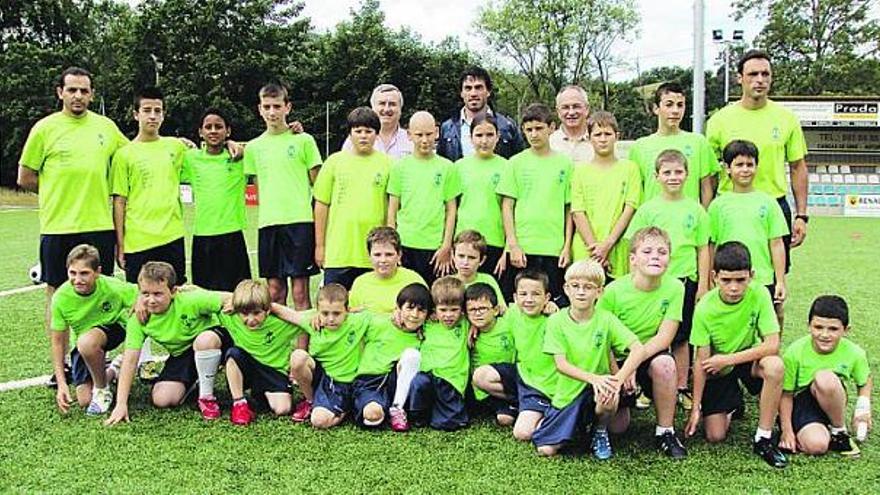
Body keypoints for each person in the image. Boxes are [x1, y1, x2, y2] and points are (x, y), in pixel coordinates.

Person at [18, 67, 128, 383]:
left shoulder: (106, 127)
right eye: (72, 90)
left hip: (98, 225)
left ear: (92, 94)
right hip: (58, 226)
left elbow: (132, 152)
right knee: (57, 291)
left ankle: (96, 358)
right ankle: (62, 367)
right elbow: (25, 177)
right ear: (60, 93)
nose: (78, 96)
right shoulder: (44, 129)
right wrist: (57, 190)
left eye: (84, 90)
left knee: (101, 292)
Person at [684, 241, 788, 468]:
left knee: (775, 366)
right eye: (726, 280)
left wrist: (728, 359)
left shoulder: (760, 293)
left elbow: (772, 344)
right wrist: (696, 408)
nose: (734, 288)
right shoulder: (704, 308)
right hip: (718, 369)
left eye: (740, 280)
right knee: (715, 435)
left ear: (751, 275)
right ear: (714, 277)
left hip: (746, 359)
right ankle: (732, 402)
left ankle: (764, 437)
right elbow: (702, 362)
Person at [706, 49, 809, 277]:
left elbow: (797, 167)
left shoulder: (786, 118)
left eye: (765, 74)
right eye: (753, 74)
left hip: (773, 205)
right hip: (729, 208)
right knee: (728, 278)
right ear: (739, 78)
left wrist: (801, 215)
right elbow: (710, 174)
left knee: (775, 284)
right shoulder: (719, 121)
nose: (760, 80)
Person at [531, 260, 644, 459]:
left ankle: (599, 431)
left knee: (611, 403)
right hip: (569, 392)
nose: (581, 292)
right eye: (575, 286)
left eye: (588, 287)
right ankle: (572, 426)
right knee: (545, 450)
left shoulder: (606, 319)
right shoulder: (556, 322)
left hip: (599, 388)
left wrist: (617, 380)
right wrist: (594, 378)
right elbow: (561, 365)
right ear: (566, 289)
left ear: (599, 292)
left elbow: (638, 348)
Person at [624, 149, 710, 408]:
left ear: (687, 175)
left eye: (678, 172)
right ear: (656, 176)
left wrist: (703, 285)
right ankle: (646, 387)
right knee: (651, 334)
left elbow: (703, 248)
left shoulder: (696, 210)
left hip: (684, 280)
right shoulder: (648, 209)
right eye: (667, 172)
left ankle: (682, 386)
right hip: (652, 283)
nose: (673, 177)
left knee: (681, 337)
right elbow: (634, 247)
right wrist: (634, 279)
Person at [597, 227, 688, 459]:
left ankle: (665, 432)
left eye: (662, 251)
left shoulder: (676, 287)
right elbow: (602, 340)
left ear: (669, 258)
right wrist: (621, 371)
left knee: (666, 364)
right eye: (647, 251)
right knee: (619, 428)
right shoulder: (613, 292)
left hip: (647, 355)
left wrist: (634, 365)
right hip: (614, 359)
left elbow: (665, 338)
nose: (655, 256)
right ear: (633, 259)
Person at [106, 262, 233, 425]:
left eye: (158, 294)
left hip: (216, 342)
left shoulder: (190, 299)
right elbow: (130, 361)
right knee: (162, 399)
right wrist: (121, 404)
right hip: (183, 354)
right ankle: (196, 379)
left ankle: (206, 397)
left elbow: (232, 298)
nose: (151, 300)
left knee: (205, 341)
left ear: (173, 291)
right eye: (145, 293)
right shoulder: (138, 319)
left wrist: (204, 292)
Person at [243, 83, 322, 308]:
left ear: (287, 107)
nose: (272, 112)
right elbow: (258, 186)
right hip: (268, 224)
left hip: (299, 223)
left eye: (277, 106)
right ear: (259, 109)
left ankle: (302, 345)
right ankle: (279, 344)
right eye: (267, 107)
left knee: (299, 293)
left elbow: (319, 185)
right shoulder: (253, 147)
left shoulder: (303, 140)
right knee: (275, 293)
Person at [110, 87, 188, 286]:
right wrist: (120, 245)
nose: (152, 116)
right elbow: (119, 202)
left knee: (175, 296)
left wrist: (232, 144)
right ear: (136, 114)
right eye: (146, 110)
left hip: (172, 236)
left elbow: (207, 156)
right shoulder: (124, 154)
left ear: (163, 114)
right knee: (141, 300)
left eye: (157, 111)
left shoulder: (176, 147)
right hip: (138, 241)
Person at [49, 244, 138, 415]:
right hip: (83, 343)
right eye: (72, 273)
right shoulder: (60, 298)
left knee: (88, 342)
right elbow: (58, 344)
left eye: (84, 273)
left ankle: (102, 390)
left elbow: (144, 294)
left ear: (97, 272)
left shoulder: (112, 286)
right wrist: (62, 384)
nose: (77, 279)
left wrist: (179, 290)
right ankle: (113, 369)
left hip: (114, 329)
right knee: (84, 400)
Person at [779, 295, 871, 457]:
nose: (824, 334)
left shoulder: (855, 352)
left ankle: (838, 431)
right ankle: (812, 430)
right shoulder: (794, 352)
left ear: (846, 329)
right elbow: (786, 395)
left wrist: (863, 408)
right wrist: (787, 431)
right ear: (809, 326)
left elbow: (864, 381)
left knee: (825, 378)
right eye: (818, 327)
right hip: (802, 402)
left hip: (832, 396)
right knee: (817, 446)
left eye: (833, 329)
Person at [497, 103, 573, 301]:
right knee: (519, 302)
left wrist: (567, 245)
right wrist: (513, 244)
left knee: (550, 303)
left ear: (552, 128)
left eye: (539, 128)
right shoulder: (515, 163)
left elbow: (569, 208)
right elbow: (507, 206)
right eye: (529, 129)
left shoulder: (565, 164)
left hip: (553, 248)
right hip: (522, 248)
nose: (534, 134)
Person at [708, 140, 788, 322]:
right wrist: (709, 281)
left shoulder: (768, 203)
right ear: (727, 168)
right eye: (739, 165)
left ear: (756, 167)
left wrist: (780, 280)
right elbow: (712, 245)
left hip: (762, 278)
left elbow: (776, 244)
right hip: (729, 279)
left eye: (750, 165)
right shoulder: (718, 205)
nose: (745, 170)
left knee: (766, 324)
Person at [313, 107, 392, 289]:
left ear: (377, 134)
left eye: (368, 131)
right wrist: (320, 246)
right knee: (335, 307)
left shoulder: (388, 164)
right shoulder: (334, 162)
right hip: (339, 252)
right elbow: (321, 205)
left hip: (374, 254)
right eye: (358, 131)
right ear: (350, 134)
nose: (363, 136)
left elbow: (392, 207)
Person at [278, 284, 371, 428]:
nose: (331, 319)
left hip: (347, 381)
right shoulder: (313, 320)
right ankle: (311, 401)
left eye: (337, 313)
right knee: (298, 357)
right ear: (318, 311)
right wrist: (238, 300)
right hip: (323, 377)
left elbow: (386, 317)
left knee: (320, 420)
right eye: (325, 313)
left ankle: (344, 408)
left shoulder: (358, 321)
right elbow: (285, 313)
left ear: (347, 310)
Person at [181, 107, 250, 291]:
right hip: (203, 238)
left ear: (228, 131)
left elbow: (267, 147)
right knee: (205, 297)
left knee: (239, 297)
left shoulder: (239, 158)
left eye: (218, 127)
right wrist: (175, 141)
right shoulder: (190, 159)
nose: (213, 131)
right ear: (200, 132)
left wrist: (294, 130)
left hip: (232, 235)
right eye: (208, 127)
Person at [387, 111, 460, 285]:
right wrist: (393, 246)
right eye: (419, 135)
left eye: (429, 134)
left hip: (435, 248)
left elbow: (451, 210)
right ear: (409, 135)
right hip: (406, 244)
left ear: (437, 132)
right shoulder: (400, 167)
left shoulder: (447, 167)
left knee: (436, 300)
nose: (425, 140)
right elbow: (392, 210)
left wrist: (446, 245)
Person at [218, 280, 303, 425]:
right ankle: (239, 404)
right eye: (244, 313)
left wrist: (276, 307)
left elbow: (307, 319)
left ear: (268, 310)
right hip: (247, 367)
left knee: (283, 409)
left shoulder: (281, 323)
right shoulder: (230, 317)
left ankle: (260, 394)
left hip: (273, 371)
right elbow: (204, 299)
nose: (251, 319)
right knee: (233, 354)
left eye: (256, 313)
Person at [570, 111, 641, 282]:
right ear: (589, 138)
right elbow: (578, 212)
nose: (603, 139)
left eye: (607, 134)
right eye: (598, 134)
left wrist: (607, 245)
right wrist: (596, 250)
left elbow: (630, 208)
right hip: (586, 249)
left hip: (617, 247)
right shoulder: (580, 171)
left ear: (617, 136)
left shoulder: (630, 169)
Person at [353, 283, 431, 431]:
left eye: (421, 310)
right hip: (371, 382)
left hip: (399, 384)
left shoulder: (427, 332)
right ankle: (375, 408)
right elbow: (341, 316)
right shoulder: (378, 322)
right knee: (373, 415)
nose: (414, 315)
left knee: (412, 355)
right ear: (398, 308)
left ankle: (397, 409)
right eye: (409, 308)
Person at [628, 82, 717, 207]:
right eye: (669, 105)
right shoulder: (639, 146)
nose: (675, 111)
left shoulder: (698, 142)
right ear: (656, 108)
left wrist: (702, 217)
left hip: (688, 221)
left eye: (680, 105)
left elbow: (706, 187)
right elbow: (635, 191)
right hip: (653, 222)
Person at [408, 276, 470, 431]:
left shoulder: (466, 324)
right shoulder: (427, 323)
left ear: (462, 309)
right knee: (419, 383)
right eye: (443, 310)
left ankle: (441, 412)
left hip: (451, 381)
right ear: (434, 309)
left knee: (447, 424)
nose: (448, 315)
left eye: (454, 310)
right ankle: (418, 415)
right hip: (428, 376)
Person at [453, 115, 508, 278]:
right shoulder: (458, 167)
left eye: (490, 135)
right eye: (479, 135)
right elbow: (451, 208)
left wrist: (508, 249)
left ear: (497, 137)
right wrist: (449, 244)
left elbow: (510, 210)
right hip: (463, 243)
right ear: (470, 138)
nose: (484, 140)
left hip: (494, 241)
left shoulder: (507, 167)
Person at [505, 269, 557, 442]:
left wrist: (556, 314)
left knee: (523, 433)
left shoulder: (555, 319)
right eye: (523, 294)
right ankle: (522, 406)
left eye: (536, 294)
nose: (529, 299)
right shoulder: (512, 313)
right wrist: (474, 328)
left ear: (547, 297)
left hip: (551, 385)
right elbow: (493, 323)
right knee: (482, 376)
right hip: (526, 379)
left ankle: (558, 417)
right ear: (515, 297)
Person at [437, 66, 523, 161]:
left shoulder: (507, 127)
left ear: (488, 91)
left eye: (478, 87)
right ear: (461, 93)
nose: (473, 93)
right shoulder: (447, 129)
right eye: (468, 88)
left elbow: (518, 164)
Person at [468, 283, 517, 426]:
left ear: (495, 310)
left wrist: (551, 306)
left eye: (482, 308)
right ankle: (515, 403)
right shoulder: (467, 330)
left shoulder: (508, 322)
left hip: (507, 379)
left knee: (506, 418)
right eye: (472, 310)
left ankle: (524, 400)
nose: (478, 313)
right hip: (483, 390)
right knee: (504, 419)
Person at [348, 226, 426, 314]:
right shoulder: (360, 283)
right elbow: (350, 316)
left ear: (399, 255)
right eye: (377, 255)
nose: (383, 260)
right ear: (369, 256)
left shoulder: (413, 280)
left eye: (389, 254)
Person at [342, 83, 412, 158]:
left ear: (400, 109)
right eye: (382, 103)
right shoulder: (354, 141)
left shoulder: (411, 140)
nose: (387, 109)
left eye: (392, 104)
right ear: (373, 108)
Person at [451, 230, 506, 309]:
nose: (465, 262)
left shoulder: (488, 280)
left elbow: (502, 310)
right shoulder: (446, 283)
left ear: (482, 260)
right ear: (453, 256)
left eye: (472, 258)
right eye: (461, 256)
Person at [549, 85, 593, 165]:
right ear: (558, 111)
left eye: (576, 106)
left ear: (587, 109)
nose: (571, 112)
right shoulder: (549, 143)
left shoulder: (600, 141)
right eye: (565, 107)